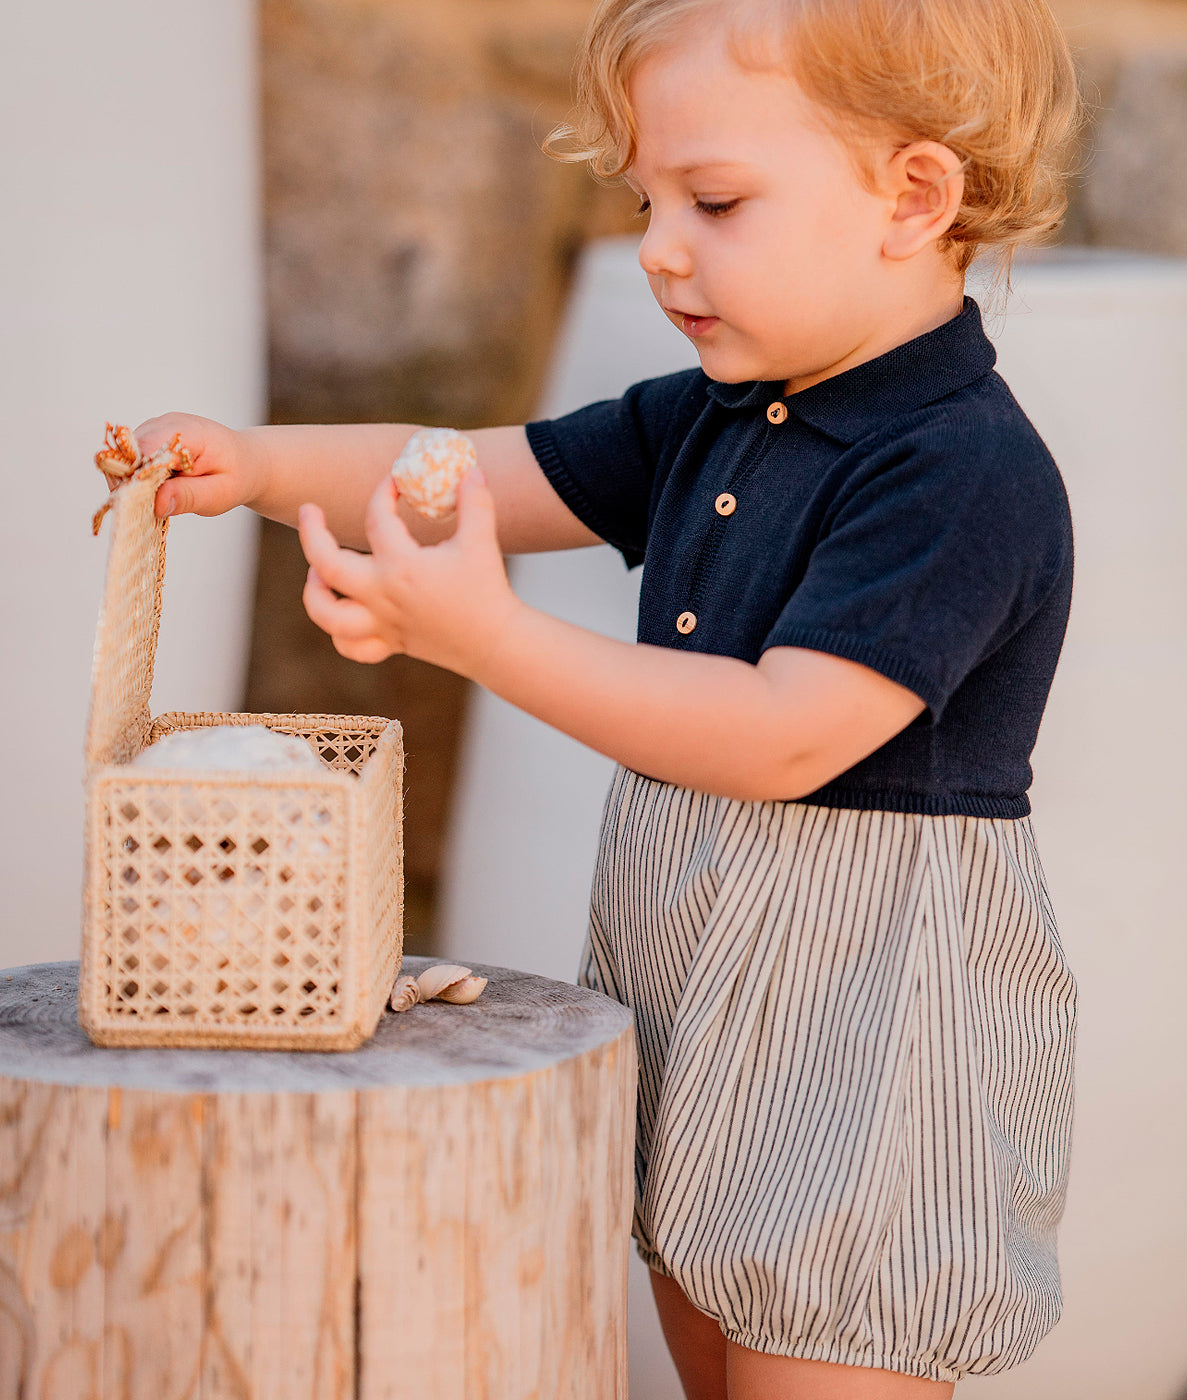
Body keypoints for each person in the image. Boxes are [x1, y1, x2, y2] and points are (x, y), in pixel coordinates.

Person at [136, 0, 1083, 1394]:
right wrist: (262, 466)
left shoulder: (958, 472)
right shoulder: (716, 410)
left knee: (817, 1351)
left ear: (913, 194)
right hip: (699, 979)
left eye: (713, 199)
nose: (658, 247)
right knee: (701, 1332)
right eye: (646, 200)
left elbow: (782, 737)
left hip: (863, 1028)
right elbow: (464, 472)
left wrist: (480, 637)